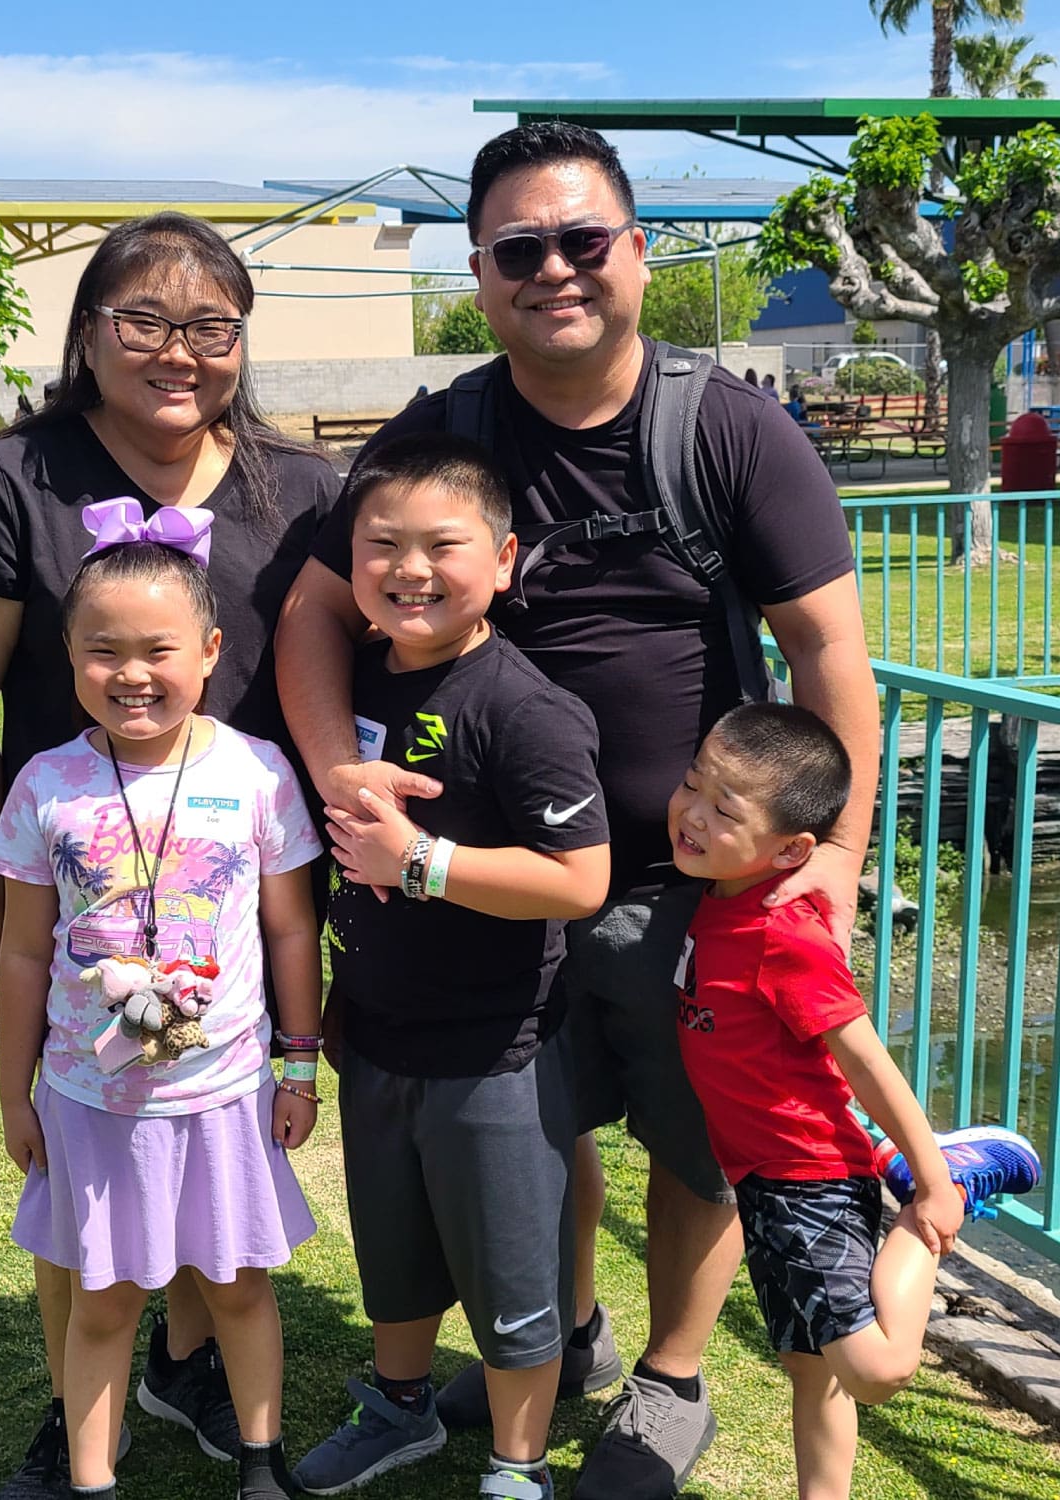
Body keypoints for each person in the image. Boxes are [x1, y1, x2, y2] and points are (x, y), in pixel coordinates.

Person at [274, 120, 879, 1500]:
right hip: (492, 878)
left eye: (582, 241)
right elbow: (314, 608)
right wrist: (337, 769)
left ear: (638, 256)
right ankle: (570, 1340)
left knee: (696, 1144)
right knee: (537, 1127)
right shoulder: (444, 437)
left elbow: (830, 660)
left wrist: (833, 859)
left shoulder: (730, 428)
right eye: (519, 250)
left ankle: (670, 1378)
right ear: (481, 276)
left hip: (688, 889)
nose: (555, 270)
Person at [0, 210, 341, 1498]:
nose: (179, 352)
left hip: (240, 871)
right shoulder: (9, 480)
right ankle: (73, 1402)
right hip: (82, 878)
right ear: (89, 332)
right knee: (91, 1145)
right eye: (144, 321)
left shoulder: (296, 487)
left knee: (211, 1131)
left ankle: (191, 1359)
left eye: (210, 327)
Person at [292, 433, 610, 1500]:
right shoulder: (365, 680)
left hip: (495, 1053)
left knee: (513, 1274)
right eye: (381, 543)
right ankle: (399, 1406)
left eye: (443, 544)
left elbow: (579, 880)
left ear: (506, 558)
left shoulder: (524, 707)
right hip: (379, 1034)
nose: (408, 568)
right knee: (393, 1249)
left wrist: (419, 863)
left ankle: (519, 1467)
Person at [0, 512, 323, 1500]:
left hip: (223, 1095)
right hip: (93, 1103)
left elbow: (292, 930)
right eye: (103, 651)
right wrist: (17, 1095)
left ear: (211, 652)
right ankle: (91, 1477)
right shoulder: (46, 785)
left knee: (239, 1286)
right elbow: (18, 951)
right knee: (103, 1300)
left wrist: (298, 1065)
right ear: (69, 658)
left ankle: (262, 1464)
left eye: (158, 650)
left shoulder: (256, 772)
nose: (133, 674)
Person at [668, 701, 1041, 1500]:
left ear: (791, 850)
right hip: (762, 1179)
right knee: (811, 1367)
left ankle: (955, 1178)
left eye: (723, 809)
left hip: (807, 1174)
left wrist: (934, 1181)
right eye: (693, 784)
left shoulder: (784, 936)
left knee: (873, 1368)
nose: (692, 814)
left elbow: (868, 1063)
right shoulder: (721, 889)